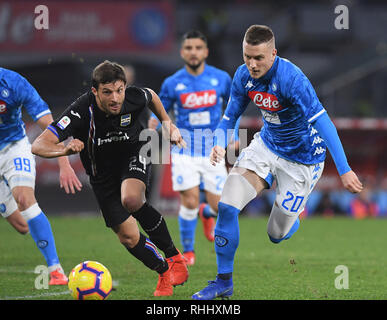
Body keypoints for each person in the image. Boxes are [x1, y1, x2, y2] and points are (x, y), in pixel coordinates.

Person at [192, 25, 363, 300]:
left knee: (275, 233)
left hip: (303, 160)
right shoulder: (242, 75)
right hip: (266, 146)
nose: (252, 64)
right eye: (247, 56)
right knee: (226, 206)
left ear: (273, 53)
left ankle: (291, 219)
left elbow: (324, 122)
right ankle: (223, 282)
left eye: (258, 58)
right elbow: (230, 116)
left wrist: (344, 170)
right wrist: (220, 142)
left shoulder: (292, 79)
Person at [31, 60, 189, 297]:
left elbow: (152, 96)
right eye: (107, 92)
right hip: (101, 176)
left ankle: (175, 257)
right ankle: (163, 270)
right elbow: (38, 145)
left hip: (135, 152)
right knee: (128, 236)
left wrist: (168, 124)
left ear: (125, 87)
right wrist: (64, 151)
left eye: (119, 90)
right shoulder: (80, 110)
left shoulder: (134, 97)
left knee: (132, 199)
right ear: (95, 91)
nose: (115, 98)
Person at [148, 30, 239, 266]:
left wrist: (234, 136)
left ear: (206, 52)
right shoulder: (172, 83)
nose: (193, 52)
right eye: (189, 48)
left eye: (198, 48)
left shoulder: (221, 79)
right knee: (188, 200)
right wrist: (151, 127)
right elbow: (160, 110)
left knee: (221, 206)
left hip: (214, 150)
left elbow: (234, 109)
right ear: (182, 52)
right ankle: (188, 251)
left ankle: (207, 213)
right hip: (184, 150)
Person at [0, 67, 82, 285]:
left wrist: (63, 162)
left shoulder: (14, 83)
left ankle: (55, 271)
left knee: (25, 200)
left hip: (13, 147)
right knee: (22, 225)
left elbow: (49, 125)